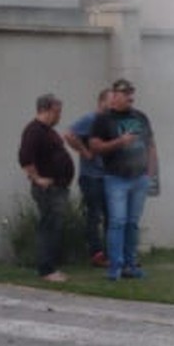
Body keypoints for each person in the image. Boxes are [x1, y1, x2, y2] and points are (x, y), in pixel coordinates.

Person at [89, 78, 158, 281]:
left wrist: (150, 173)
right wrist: (120, 141)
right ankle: (114, 268)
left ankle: (131, 265)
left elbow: (151, 145)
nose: (130, 96)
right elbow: (94, 147)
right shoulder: (103, 120)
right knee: (117, 223)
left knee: (132, 224)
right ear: (115, 96)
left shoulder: (141, 117)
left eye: (131, 92)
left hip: (139, 179)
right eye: (125, 93)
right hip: (116, 179)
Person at [17, 93, 75, 283]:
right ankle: (46, 269)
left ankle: (50, 267)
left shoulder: (48, 131)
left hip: (58, 187)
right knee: (49, 227)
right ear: (46, 110)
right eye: (57, 112)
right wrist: (37, 178)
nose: (59, 116)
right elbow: (25, 158)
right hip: (48, 189)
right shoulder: (34, 130)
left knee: (54, 227)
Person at [64, 88, 112, 268]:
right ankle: (96, 253)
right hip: (91, 176)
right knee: (94, 215)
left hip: (107, 177)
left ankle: (110, 253)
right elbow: (69, 134)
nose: (114, 104)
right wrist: (84, 152)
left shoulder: (110, 123)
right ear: (101, 102)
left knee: (111, 216)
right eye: (111, 100)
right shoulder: (90, 120)